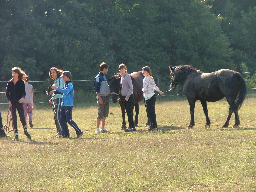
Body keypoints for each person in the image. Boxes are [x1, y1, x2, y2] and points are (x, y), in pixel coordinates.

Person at [51, 71, 83, 138]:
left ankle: (79, 131)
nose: (62, 78)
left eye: (64, 77)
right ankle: (65, 134)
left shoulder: (70, 84)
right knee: (61, 119)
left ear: (68, 77)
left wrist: (57, 88)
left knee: (69, 119)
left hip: (68, 104)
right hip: (63, 104)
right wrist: (54, 91)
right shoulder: (65, 84)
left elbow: (66, 91)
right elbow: (62, 91)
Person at [6, 67, 31, 140]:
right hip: (12, 103)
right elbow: (7, 93)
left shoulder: (21, 82)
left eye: (15, 73)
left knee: (22, 117)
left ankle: (25, 130)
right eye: (12, 73)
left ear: (18, 74)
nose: (13, 74)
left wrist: (23, 97)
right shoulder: (10, 83)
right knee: (14, 118)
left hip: (19, 102)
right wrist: (9, 100)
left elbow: (23, 92)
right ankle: (16, 134)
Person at [142, 66, 164, 131]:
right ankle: (154, 125)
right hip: (152, 96)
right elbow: (155, 86)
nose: (143, 72)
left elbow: (145, 89)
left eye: (144, 71)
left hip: (148, 97)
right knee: (152, 111)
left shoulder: (146, 79)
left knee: (149, 112)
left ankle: (152, 126)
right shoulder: (151, 78)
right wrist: (159, 91)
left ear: (148, 72)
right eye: (142, 71)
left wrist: (142, 90)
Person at [119, 63, 136, 132]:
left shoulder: (127, 76)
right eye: (120, 69)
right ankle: (132, 126)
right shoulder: (122, 77)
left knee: (129, 112)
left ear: (125, 69)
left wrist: (127, 96)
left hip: (128, 97)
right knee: (127, 112)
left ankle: (131, 126)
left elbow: (131, 88)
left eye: (123, 69)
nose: (121, 70)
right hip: (123, 97)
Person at [94, 62, 110, 134]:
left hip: (106, 96)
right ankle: (97, 128)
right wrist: (100, 98)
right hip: (101, 96)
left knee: (105, 112)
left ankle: (103, 127)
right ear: (104, 69)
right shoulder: (98, 77)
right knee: (100, 112)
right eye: (107, 69)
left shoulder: (104, 76)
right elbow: (97, 89)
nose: (107, 71)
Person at [49, 67, 65, 137]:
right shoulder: (56, 81)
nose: (52, 74)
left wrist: (53, 97)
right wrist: (52, 98)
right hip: (55, 99)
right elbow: (55, 92)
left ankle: (61, 132)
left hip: (59, 99)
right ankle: (59, 132)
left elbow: (60, 91)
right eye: (51, 73)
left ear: (57, 72)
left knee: (58, 116)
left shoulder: (60, 80)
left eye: (53, 72)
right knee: (56, 116)